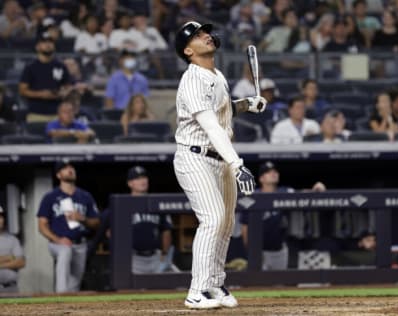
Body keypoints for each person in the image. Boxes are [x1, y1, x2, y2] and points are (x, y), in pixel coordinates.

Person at [173, 21, 267, 309]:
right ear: (188, 50)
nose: (206, 36)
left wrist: (247, 104)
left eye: (205, 32)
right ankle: (196, 291)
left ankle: (214, 283)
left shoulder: (216, 74)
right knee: (212, 219)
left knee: (226, 223)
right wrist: (238, 164)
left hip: (218, 158)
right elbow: (211, 127)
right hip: (196, 156)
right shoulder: (191, 80)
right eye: (198, 36)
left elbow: (222, 110)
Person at [88, 166, 178, 274]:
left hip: (156, 258)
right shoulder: (120, 205)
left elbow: (166, 230)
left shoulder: (156, 203)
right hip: (131, 259)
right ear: (130, 183)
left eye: (144, 177)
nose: (143, 181)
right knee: (128, 289)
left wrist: (164, 254)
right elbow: (101, 227)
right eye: (138, 178)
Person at [37, 160, 100, 293]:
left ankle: (69, 307)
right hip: (58, 242)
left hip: (80, 243)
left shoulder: (85, 196)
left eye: (71, 167)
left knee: (75, 281)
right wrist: (57, 240)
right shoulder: (50, 197)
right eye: (65, 168)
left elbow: (96, 223)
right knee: (65, 252)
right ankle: (60, 295)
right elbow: (42, 225)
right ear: (58, 175)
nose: (70, 170)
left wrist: (82, 218)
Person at [240, 161, 291, 270]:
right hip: (260, 251)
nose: (273, 173)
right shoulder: (252, 197)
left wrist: (316, 188)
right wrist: (251, 252)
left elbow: (302, 196)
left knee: (280, 284)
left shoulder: (284, 192)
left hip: (279, 250)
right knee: (259, 284)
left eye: (275, 171)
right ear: (261, 178)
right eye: (268, 172)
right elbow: (245, 227)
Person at [19, 33, 71, 122]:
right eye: (44, 42)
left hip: (57, 113)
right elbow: (22, 90)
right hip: (36, 113)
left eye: (50, 42)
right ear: (37, 47)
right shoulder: (30, 67)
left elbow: (68, 87)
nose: (48, 45)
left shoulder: (61, 66)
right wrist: (42, 94)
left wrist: (61, 93)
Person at [0, 205, 25, 293]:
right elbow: (15, 259)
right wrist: (9, 257)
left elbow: (21, 262)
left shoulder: (12, 239)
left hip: (10, 288)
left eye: (1, 216)